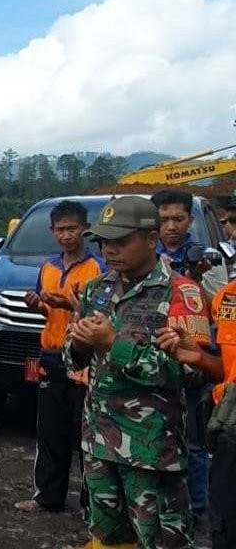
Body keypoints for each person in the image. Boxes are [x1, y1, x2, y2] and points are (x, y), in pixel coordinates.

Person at [64, 195, 211, 548]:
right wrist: (82, 345)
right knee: (107, 537)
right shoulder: (97, 289)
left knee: (160, 540)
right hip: (99, 442)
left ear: (151, 238)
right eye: (104, 242)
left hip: (151, 451)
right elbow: (73, 361)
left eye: (120, 241)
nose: (110, 250)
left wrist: (114, 343)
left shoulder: (181, 293)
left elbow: (193, 372)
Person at [15, 201, 106, 517]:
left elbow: (101, 313)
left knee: (86, 431)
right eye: (60, 230)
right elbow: (47, 312)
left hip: (84, 359)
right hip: (52, 354)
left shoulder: (98, 269)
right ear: (52, 232)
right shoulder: (49, 268)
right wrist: (38, 304)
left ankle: (91, 503)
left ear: (84, 229)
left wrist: (67, 303)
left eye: (72, 229)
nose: (66, 236)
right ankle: (47, 496)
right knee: (50, 429)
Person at [150, 188, 224, 525]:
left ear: (190, 220)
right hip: (157, 361)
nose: (171, 226)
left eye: (178, 218)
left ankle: (196, 510)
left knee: (194, 445)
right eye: (164, 219)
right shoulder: (146, 257)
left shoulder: (208, 260)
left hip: (195, 359)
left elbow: (218, 307)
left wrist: (200, 276)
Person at [157, 276, 236, 548]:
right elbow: (226, 370)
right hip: (229, 433)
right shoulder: (226, 299)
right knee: (225, 523)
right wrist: (200, 358)